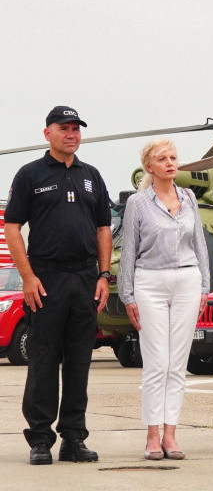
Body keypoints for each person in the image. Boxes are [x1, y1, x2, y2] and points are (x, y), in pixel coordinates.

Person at [4, 106, 112, 465]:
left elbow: (103, 228)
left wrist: (103, 275)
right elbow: (13, 227)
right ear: (47, 133)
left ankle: (73, 438)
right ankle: (39, 439)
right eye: (64, 128)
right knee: (44, 358)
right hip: (45, 278)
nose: (71, 134)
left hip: (84, 278)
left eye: (76, 129)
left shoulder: (91, 176)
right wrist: (28, 276)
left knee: (80, 361)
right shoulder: (30, 174)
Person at [117, 138, 211, 461]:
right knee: (156, 362)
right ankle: (152, 433)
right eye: (162, 158)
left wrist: (204, 288)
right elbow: (128, 251)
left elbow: (199, 245)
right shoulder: (138, 203)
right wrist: (127, 294)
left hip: (187, 280)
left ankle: (171, 431)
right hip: (150, 282)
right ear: (149, 167)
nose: (170, 163)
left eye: (173, 157)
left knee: (178, 362)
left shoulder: (188, 198)